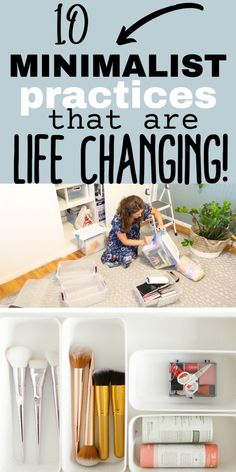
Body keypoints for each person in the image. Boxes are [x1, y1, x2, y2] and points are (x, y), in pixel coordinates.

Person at [101, 195, 164, 268]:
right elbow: (125, 241)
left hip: (133, 235)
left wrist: (160, 224)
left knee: (128, 257)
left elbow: (156, 212)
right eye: (137, 214)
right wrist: (143, 242)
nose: (140, 215)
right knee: (111, 258)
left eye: (141, 212)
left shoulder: (140, 207)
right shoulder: (118, 220)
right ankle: (109, 243)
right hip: (119, 238)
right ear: (129, 213)